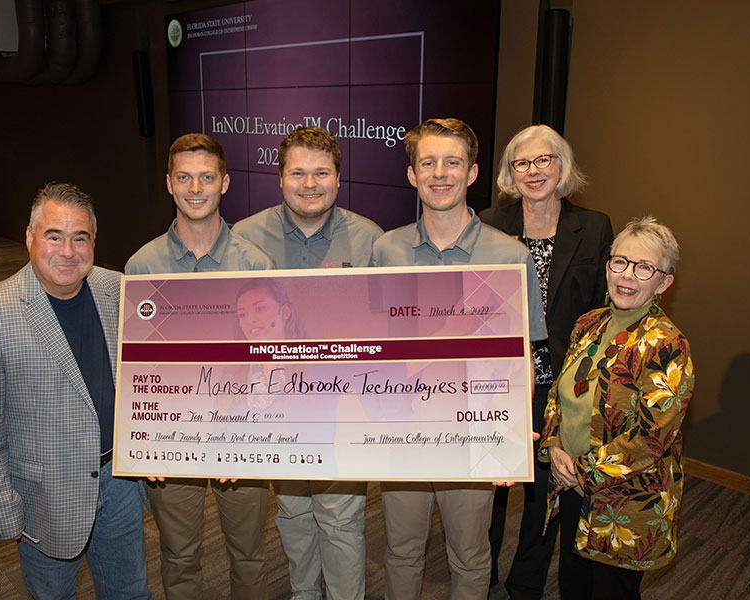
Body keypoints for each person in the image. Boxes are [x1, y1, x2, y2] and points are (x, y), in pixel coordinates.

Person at [371, 118, 548, 600]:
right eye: (427, 162)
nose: (440, 173)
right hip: (403, 428)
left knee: (470, 557)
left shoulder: (508, 257)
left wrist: (509, 439)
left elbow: (522, 356)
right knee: (402, 549)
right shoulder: (385, 251)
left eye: (453, 162)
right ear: (411, 174)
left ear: (472, 173)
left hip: (471, 431)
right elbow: (373, 348)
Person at [0, 182, 151, 599]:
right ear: (29, 237)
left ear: (94, 242)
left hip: (121, 482)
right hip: (45, 499)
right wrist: (5, 514)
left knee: (129, 591)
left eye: (80, 238)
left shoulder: (118, 289)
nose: (67, 250)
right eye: (53, 236)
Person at [232, 126, 382, 600]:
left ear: (339, 178)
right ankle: (303, 593)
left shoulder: (369, 241)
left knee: (341, 516)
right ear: (280, 178)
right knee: (294, 513)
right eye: (298, 172)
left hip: (341, 406)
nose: (310, 183)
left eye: (321, 172)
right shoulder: (245, 239)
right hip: (276, 406)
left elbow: (386, 332)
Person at [125, 133, 274, 600]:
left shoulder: (257, 265)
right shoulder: (143, 266)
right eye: (185, 177)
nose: (195, 188)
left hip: (243, 433)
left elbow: (272, 365)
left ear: (224, 183)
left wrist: (247, 435)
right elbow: (135, 368)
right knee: (178, 556)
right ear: (169, 184)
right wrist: (144, 443)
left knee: (248, 555)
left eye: (206, 177)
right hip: (173, 438)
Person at [480, 124, 613, 599]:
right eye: (522, 163)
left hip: (559, 386)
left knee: (543, 493)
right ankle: (483, 578)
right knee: (489, 493)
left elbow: (602, 309)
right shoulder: (489, 222)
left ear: (562, 166)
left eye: (544, 160)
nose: (533, 172)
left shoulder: (594, 227)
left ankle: (523, 585)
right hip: (497, 382)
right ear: (509, 173)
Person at [539, 216, 693, 600]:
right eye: (620, 261)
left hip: (625, 503)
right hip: (571, 483)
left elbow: (650, 439)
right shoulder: (588, 323)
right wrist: (555, 445)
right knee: (573, 585)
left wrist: (580, 472)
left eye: (644, 268)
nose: (627, 275)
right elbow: (560, 394)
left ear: (664, 282)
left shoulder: (667, 346)